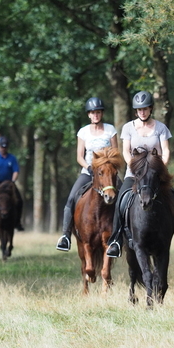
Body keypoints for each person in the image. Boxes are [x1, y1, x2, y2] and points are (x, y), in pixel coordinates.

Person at [106, 91, 174, 258]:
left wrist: (159, 167)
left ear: (151, 109)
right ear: (135, 111)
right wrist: (134, 167)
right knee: (120, 201)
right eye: (139, 110)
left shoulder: (160, 128)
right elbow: (125, 151)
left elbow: (166, 151)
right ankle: (116, 240)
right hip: (134, 175)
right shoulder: (128, 128)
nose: (142, 112)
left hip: (156, 175)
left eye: (145, 109)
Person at [56, 97, 118, 251]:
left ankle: (122, 236)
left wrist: (109, 167)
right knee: (71, 199)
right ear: (89, 115)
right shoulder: (83, 132)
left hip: (107, 174)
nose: (95, 115)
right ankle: (65, 236)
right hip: (88, 172)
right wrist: (89, 167)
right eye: (92, 113)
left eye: (98, 112)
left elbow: (115, 153)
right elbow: (79, 156)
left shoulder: (110, 130)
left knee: (123, 197)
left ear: (101, 113)